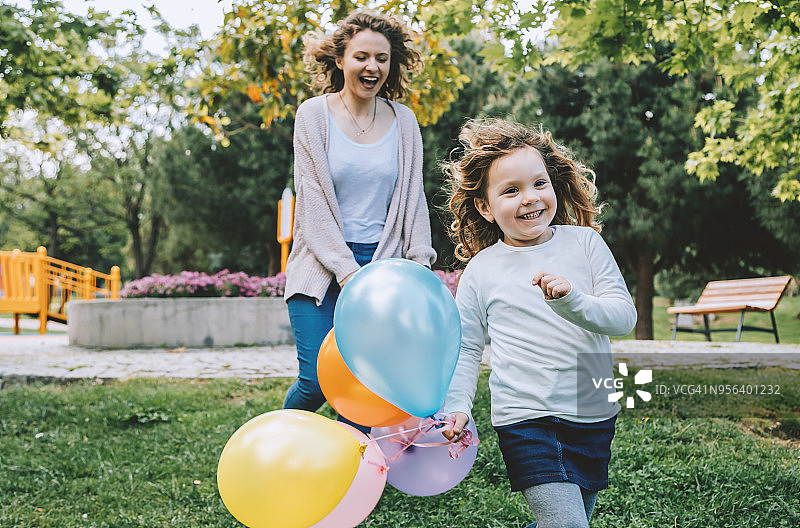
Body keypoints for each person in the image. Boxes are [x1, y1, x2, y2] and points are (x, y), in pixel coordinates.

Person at [440, 119, 637, 528]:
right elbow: (467, 347)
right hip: (526, 417)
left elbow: (623, 318)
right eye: (510, 190)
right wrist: (457, 404)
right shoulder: (480, 271)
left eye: (539, 184)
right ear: (485, 206)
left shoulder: (585, 243)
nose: (529, 198)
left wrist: (573, 301)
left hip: (593, 408)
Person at [282, 10, 437, 429]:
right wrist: (348, 272)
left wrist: (419, 264)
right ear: (340, 60)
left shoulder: (404, 123)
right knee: (316, 380)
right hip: (320, 265)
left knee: (364, 384)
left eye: (382, 59)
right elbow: (311, 204)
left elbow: (413, 198)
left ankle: (355, 477)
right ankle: (280, 440)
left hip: (383, 267)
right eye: (362, 57)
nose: (372, 67)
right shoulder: (313, 115)